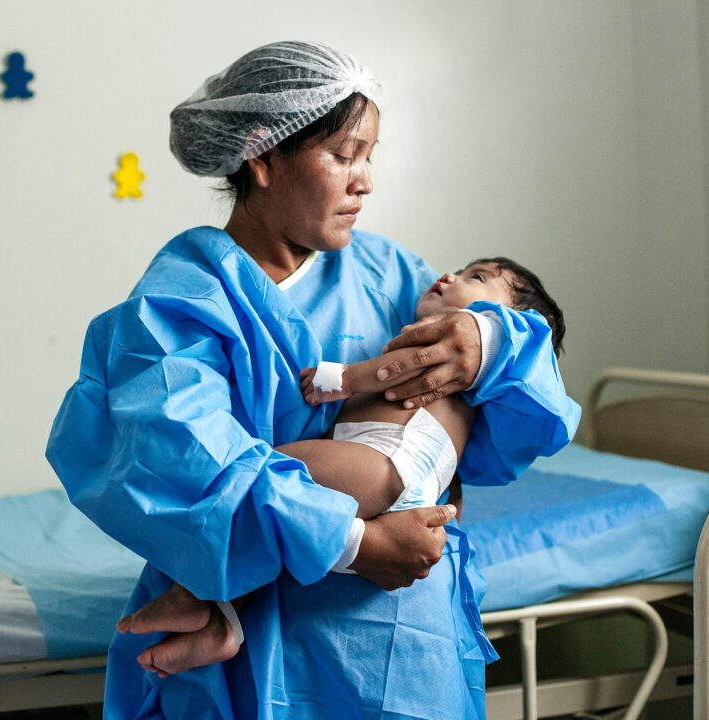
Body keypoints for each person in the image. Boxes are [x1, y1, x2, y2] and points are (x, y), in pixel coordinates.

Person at [46, 41, 580, 720]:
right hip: (255, 650)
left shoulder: (393, 277)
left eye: (370, 157)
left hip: (403, 644)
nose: (365, 182)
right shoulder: (178, 304)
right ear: (263, 158)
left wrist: (492, 340)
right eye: (343, 155)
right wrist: (357, 543)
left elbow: (522, 415)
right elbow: (178, 465)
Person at [117, 256, 567, 679]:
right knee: (280, 532)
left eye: (478, 277)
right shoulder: (475, 377)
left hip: (381, 458)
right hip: (398, 480)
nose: (450, 275)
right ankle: (224, 621)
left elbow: (392, 371)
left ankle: (190, 593)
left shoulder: (462, 336)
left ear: (506, 314)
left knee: (257, 477)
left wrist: (343, 380)